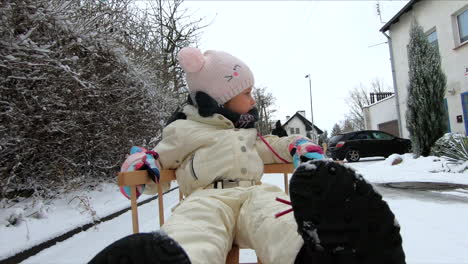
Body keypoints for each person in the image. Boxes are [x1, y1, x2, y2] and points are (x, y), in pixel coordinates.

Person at [89, 48, 405, 264]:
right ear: (220, 97)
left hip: (255, 194)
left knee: (278, 219)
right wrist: (142, 165)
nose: (253, 100)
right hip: (207, 198)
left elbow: (273, 145)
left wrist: (298, 147)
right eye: (247, 93)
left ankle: (319, 251)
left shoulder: (247, 133)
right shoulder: (183, 131)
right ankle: (176, 257)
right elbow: (159, 156)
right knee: (194, 230)